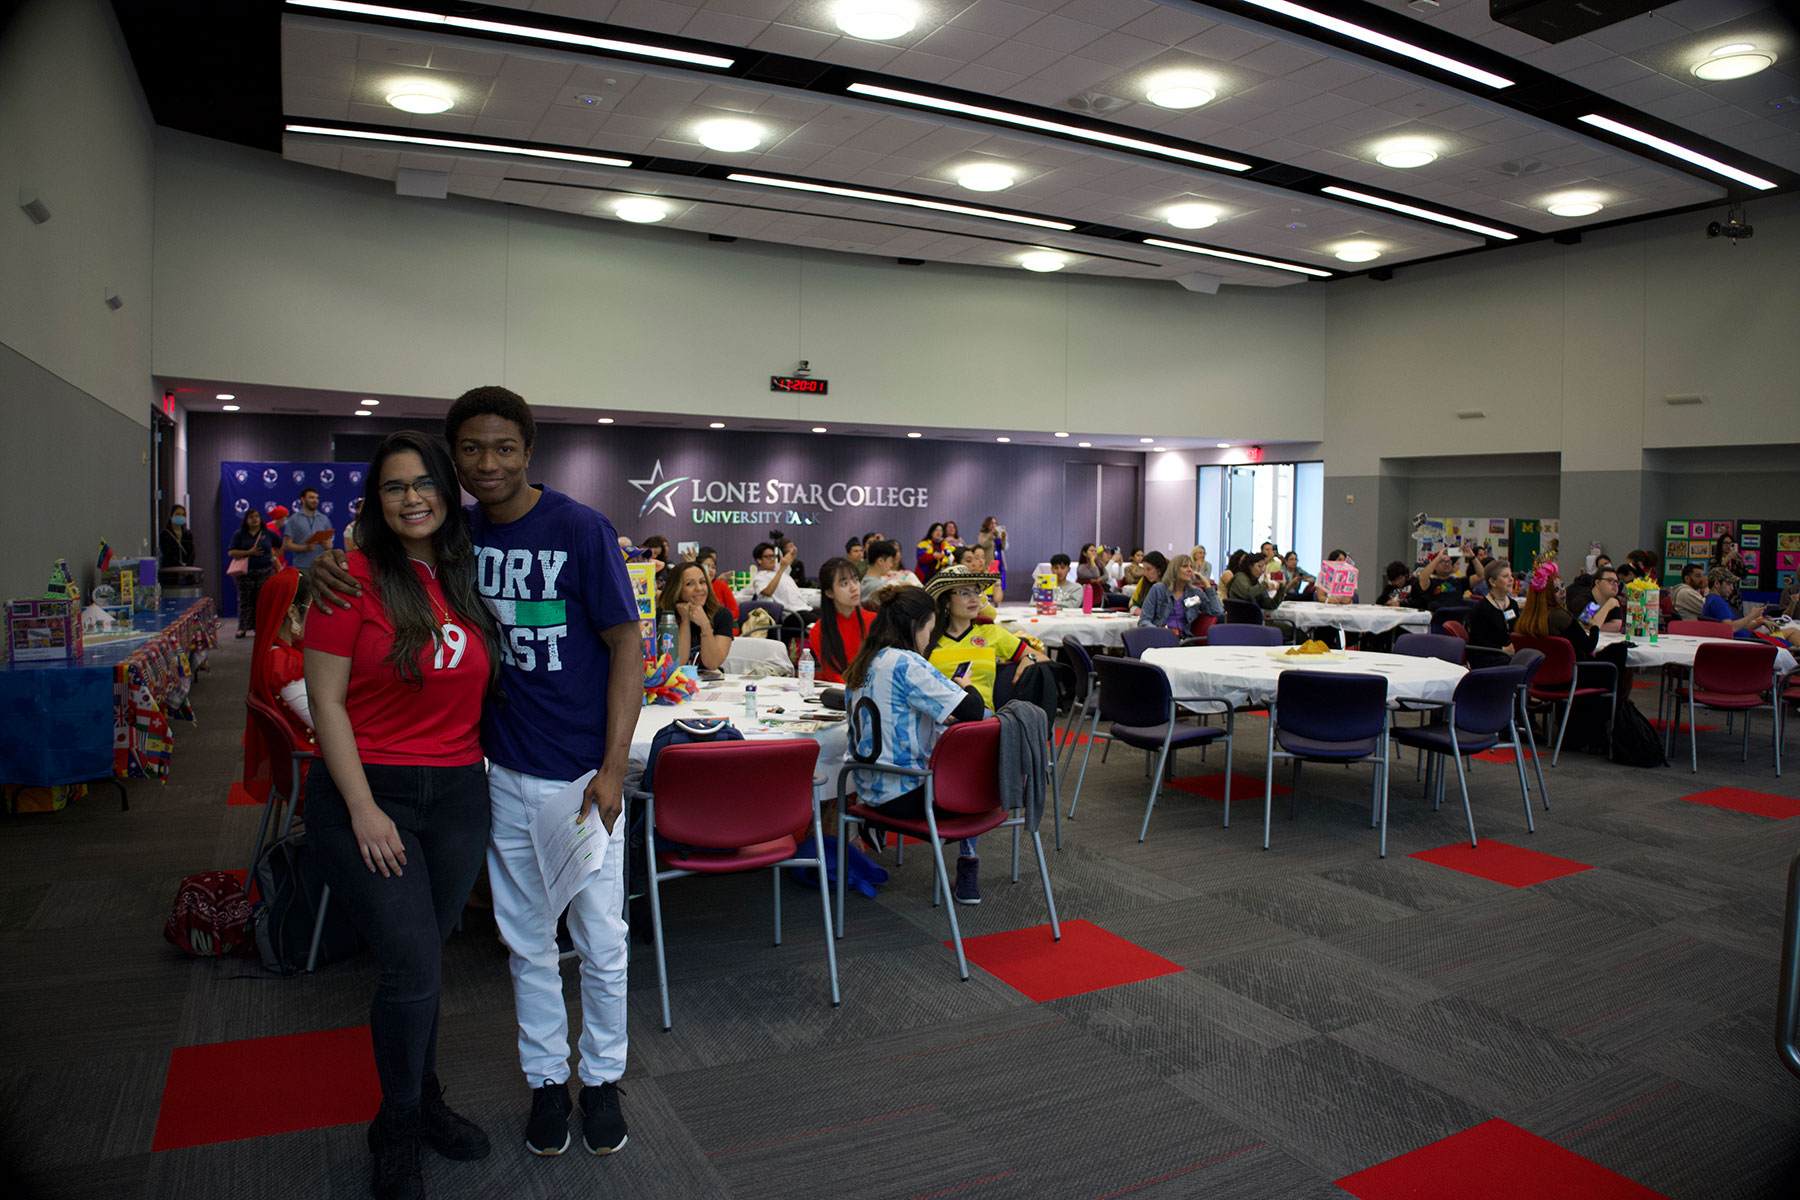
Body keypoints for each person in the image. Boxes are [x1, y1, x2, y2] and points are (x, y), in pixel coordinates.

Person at [311, 387, 641, 1165]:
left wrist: (615, 768)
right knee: (525, 945)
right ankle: (543, 1081)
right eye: (470, 451)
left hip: (581, 780)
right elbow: (382, 553)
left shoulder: (580, 529)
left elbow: (626, 643)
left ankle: (601, 1081)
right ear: (452, 459)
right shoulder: (456, 538)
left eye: (503, 448)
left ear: (529, 450)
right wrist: (320, 566)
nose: (487, 464)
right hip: (493, 775)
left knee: (602, 940)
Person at [302, 431, 503, 1200]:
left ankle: (421, 1102)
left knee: (427, 959)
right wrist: (361, 809)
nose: (412, 497)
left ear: (448, 493)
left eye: (426, 483)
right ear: (374, 501)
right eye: (394, 486)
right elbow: (325, 701)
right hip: (369, 795)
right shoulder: (346, 578)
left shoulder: (464, 570)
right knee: (412, 964)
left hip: (457, 795)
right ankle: (398, 1124)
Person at [842, 586, 986, 890]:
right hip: (905, 794)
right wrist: (965, 685)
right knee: (984, 752)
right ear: (915, 626)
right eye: (929, 631)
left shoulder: (863, 661)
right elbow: (971, 710)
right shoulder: (907, 663)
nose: (927, 641)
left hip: (868, 789)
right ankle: (968, 865)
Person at [921, 565, 1045, 904]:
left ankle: (968, 858)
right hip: (935, 729)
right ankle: (963, 848)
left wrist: (1026, 660)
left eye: (977, 591)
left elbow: (1037, 653)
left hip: (980, 727)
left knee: (976, 738)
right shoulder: (928, 640)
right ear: (946, 600)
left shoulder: (991, 634)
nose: (975, 598)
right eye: (965, 592)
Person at [806, 557, 872, 684]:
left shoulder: (875, 621)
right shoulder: (819, 631)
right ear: (830, 592)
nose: (854, 588)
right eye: (844, 584)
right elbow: (833, 676)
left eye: (856, 580)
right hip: (842, 692)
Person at [660, 562, 732, 670]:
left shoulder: (722, 615)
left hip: (708, 682)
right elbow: (676, 664)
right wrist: (685, 621)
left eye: (702, 582)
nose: (699, 588)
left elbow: (712, 663)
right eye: (689, 584)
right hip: (672, 682)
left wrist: (705, 625)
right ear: (677, 589)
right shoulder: (664, 617)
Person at [1138, 553, 1221, 633]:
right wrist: (1159, 633)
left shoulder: (1195, 593)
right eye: (1185, 566)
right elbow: (1144, 620)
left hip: (1183, 640)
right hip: (1159, 637)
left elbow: (1217, 611)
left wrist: (1207, 586)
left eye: (1191, 567)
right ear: (1174, 569)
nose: (1190, 570)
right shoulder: (1158, 589)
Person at [228, 509, 279, 638]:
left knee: (262, 600)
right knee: (245, 600)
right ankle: (242, 628)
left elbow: (282, 545)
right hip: (245, 572)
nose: (254, 519)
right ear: (246, 520)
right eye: (251, 517)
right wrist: (248, 552)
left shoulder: (268, 533)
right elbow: (231, 552)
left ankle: (260, 627)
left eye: (257, 516)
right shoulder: (239, 534)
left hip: (265, 571)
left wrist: (274, 558)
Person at [1465, 560, 1518, 667]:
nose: (1511, 579)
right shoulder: (1481, 608)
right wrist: (1503, 649)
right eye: (1505, 576)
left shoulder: (1513, 604)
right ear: (1493, 582)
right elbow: (1477, 641)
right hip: (1487, 656)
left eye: (1511, 575)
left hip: (1509, 654)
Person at [744, 541, 811, 613]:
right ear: (759, 560)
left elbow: (789, 560)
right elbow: (768, 592)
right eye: (768, 557)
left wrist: (792, 552)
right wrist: (781, 570)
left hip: (805, 607)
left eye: (773, 556)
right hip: (791, 612)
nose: (772, 559)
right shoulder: (760, 577)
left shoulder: (777, 570)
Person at [1702, 568, 1772, 637]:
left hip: (1746, 638)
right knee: (1781, 635)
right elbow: (1729, 629)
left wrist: (1760, 623)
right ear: (1717, 583)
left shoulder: (1711, 599)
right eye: (1729, 584)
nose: (1732, 588)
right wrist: (1752, 616)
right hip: (1747, 641)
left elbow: (1738, 627)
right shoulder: (1717, 601)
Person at [283, 487, 335, 573]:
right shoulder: (294, 519)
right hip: (302, 566)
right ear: (302, 499)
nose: (315, 500)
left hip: (321, 566)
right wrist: (306, 548)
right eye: (311, 497)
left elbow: (330, 544)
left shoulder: (324, 519)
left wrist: (328, 546)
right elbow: (286, 545)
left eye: (317, 498)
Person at [1227, 553, 1298, 613]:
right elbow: (1248, 594)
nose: (1263, 570)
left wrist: (1282, 586)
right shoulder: (1240, 577)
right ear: (1249, 566)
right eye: (1260, 566)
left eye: (1264, 567)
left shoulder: (1255, 582)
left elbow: (1271, 605)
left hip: (1253, 621)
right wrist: (1265, 585)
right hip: (1241, 621)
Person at [1578, 565, 1623, 634]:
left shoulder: (1614, 600)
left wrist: (1596, 625)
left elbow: (1616, 626)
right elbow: (1586, 627)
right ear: (1598, 583)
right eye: (1610, 581)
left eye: (1617, 582)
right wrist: (1608, 605)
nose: (1615, 584)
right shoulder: (1585, 599)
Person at [160, 504, 195, 569]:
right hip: (170, 572)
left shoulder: (188, 534)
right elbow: (167, 554)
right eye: (177, 514)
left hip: (187, 572)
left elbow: (192, 553)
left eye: (183, 515)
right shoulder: (165, 534)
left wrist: (186, 568)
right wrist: (179, 567)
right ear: (171, 517)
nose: (180, 517)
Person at [977, 516, 1006, 590]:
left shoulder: (998, 535)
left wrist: (1003, 538)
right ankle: (989, 597)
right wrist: (991, 534)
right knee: (991, 580)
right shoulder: (983, 534)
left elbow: (1003, 547)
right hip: (990, 561)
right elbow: (983, 544)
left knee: (999, 580)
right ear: (987, 524)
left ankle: (998, 597)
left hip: (999, 560)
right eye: (991, 523)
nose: (994, 525)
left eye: (995, 523)